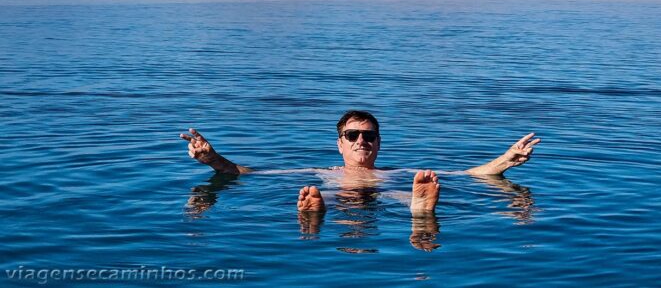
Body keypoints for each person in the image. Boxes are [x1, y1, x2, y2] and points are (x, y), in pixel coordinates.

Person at [180, 110, 540, 216]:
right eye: (352, 135)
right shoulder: (321, 173)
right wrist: (213, 159)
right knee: (327, 197)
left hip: (388, 194)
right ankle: (313, 214)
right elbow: (247, 173)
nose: (361, 140)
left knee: (404, 196)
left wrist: (505, 159)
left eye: (368, 135)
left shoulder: (397, 174)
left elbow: (469, 174)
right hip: (335, 194)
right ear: (340, 144)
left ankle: (421, 212)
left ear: (379, 143)